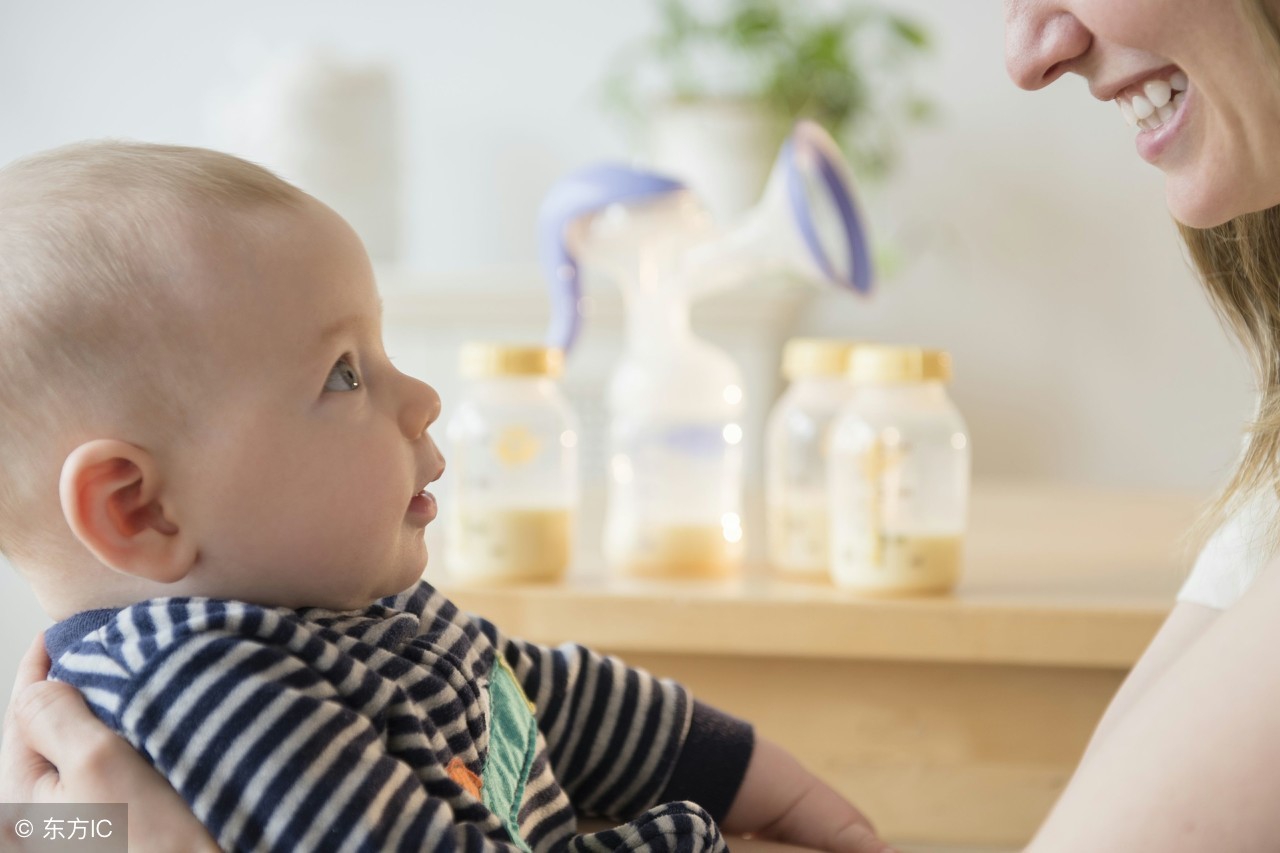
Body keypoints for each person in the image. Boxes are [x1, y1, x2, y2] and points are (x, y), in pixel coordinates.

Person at [0, 142, 888, 853]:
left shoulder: (352, 616)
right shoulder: (211, 682)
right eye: (344, 373)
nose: (420, 395)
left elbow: (547, 695)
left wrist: (782, 791)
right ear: (142, 510)